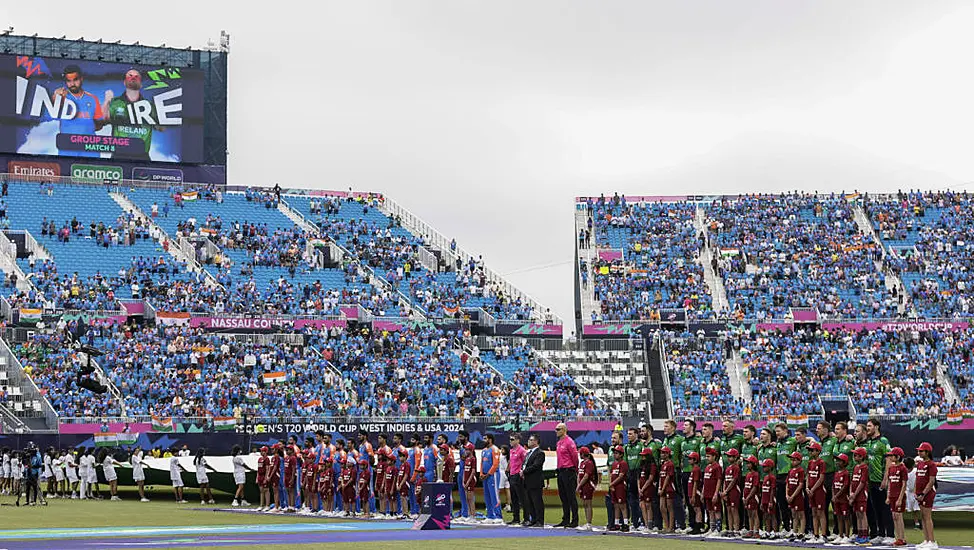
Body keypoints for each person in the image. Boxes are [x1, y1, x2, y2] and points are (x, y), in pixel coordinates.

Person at [864, 418, 893, 544]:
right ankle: (881, 534)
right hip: (871, 480)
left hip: (881, 479)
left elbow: (889, 460)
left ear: (876, 427)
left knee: (885, 508)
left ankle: (891, 535)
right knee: (876, 509)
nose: (867, 428)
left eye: (869, 426)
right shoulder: (869, 441)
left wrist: (885, 478)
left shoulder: (883, 441)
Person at [553, 423, 579, 528]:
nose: (556, 431)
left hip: (569, 470)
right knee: (563, 497)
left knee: (571, 496)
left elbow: (575, 457)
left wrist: (575, 470)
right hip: (561, 471)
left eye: (558, 429)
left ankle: (575, 520)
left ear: (564, 430)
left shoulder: (569, 442)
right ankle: (566, 519)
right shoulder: (559, 443)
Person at [915, 442, 938, 549]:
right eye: (918, 451)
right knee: (923, 517)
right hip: (919, 494)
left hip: (927, 494)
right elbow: (917, 479)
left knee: (927, 517)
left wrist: (923, 493)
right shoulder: (919, 463)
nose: (919, 452)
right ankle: (926, 539)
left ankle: (932, 541)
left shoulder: (931, 464)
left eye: (921, 451)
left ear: (927, 452)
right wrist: (916, 493)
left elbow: (931, 481)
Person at [885, 447, 908, 546]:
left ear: (898, 457)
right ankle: (898, 537)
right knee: (894, 516)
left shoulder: (903, 468)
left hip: (899, 496)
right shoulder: (891, 468)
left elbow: (904, 484)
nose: (890, 457)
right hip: (892, 496)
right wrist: (888, 496)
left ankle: (902, 538)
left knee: (899, 516)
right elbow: (890, 483)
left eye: (892, 455)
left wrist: (900, 498)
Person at [521, 433, 545, 527]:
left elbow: (536, 465)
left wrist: (524, 471)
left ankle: (540, 520)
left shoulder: (540, 453)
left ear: (536, 441)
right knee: (530, 502)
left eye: (531, 440)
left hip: (535, 481)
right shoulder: (528, 453)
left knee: (537, 501)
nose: (529, 441)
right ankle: (533, 519)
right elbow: (525, 464)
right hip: (527, 481)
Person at [805, 442, 827, 543]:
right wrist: (806, 488)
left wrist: (812, 489)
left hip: (818, 491)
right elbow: (808, 476)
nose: (810, 452)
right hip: (810, 491)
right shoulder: (810, 463)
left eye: (812, 450)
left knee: (820, 512)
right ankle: (815, 535)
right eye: (809, 450)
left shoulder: (821, 462)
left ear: (818, 451)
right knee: (813, 513)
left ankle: (823, 535)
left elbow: (821, 478)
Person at [481, 433, 503, 523]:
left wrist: (488, 474)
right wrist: (481, 473)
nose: (483, 440)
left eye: (485, 438)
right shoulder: (483, 450)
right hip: (485, 476)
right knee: (487, 495)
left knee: (494, 495)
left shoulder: (495, 449)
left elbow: (495, 464)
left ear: (490, 440)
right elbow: (481, 463)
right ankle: (490, 516)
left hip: (492, 475)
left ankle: (498, 516)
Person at [851, 447, 871, 544]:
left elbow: (862, 483)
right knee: (858, 514)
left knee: (862, 514)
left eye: (856, 455)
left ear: (861, 456)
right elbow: (853, 481)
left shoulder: (864, 468)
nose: (854, 457)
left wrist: (854, 495)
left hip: (861, 494)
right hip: (855, 494)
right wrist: (851, 493)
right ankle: (859, 534)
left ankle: (865, 535)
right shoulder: (856, 467)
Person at [722, 448, 743, 537]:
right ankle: (730, 529)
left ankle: (736, 530)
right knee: (729, 510)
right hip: (727, 492)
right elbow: (725, 480)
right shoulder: (727, 468)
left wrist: (726, 491)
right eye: (728, 456)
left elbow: (734, 480)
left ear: (735, 457)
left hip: (734, 491)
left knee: (734, 510)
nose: (728, 458)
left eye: (730, 456)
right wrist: (724, 492)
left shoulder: (736, 468)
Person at [609, 445, 630, 532]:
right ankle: (616, 523)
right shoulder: (614, 464)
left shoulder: (623, 463)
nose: (614, 455)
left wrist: (612, 484)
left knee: (622, 505)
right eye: (614, 453)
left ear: (621, 454)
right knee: (616, 505)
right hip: (614, 487)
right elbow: (612, 474)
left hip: (620, 486)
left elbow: (621, 476)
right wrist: (612, 485)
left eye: (616, 453)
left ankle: (625, 523)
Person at [785, 451, 806, 540]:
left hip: (797, 496)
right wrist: (787, 495)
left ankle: (801, 532)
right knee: (793, 514)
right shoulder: (790, 471)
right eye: (791, 460)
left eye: (794, 460)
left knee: (801, 514)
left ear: (799, 461)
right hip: (790, 495)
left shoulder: (801, 471)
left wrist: (793, 496)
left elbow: (800, 484)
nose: (792, 461)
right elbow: (787, 483)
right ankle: (794, 531)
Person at [832, 453, 852, 544]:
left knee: (846, 517)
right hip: (836, 499)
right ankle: (840, 535)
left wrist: (837, 495)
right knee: (838, 517)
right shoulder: (836, 473)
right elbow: (833, 485)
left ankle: (847, 535)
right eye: (837, 460)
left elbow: (845, 486)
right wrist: (833, 496)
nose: (837, 462)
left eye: (839, 461)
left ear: (844, 463)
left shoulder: (846, 473)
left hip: (844, 499)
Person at [636, 447, 657, 534]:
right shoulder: (641, 465)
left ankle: (650, 524)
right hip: (641, 488)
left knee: (648, 506)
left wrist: (643, 488)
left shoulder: (652, 465)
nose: (643, 457)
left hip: (648, 488)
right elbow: (638, 478)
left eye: (644, 456)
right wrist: (639, 488)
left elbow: (650, 478)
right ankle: (645, 525)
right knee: (642, 505)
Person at [701, 448, 721, 537]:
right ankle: (712, 528)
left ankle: (718, 529)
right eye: (706, 456)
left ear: (714, 456)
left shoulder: (717, 467)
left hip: (713, 493)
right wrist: (702, 492)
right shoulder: (707, 467)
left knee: (717, 511)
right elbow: (705, 481)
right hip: (707, 493)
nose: (707, 458)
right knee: (710, 511)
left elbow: (719, 480)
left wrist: (716, 493)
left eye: (709, 456)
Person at [508, 434, 527, 526]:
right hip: (512, 475)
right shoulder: (511, 450)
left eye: (512, 439)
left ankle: (526, 518)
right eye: (510, 439)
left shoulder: (522, 451)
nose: (510, 441)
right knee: (514, 498)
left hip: (518, 476)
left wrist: (521, 473)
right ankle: (516, 518)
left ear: (518, 440)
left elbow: (525, 462)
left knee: (522, 498)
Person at [576, 446, 597, 531]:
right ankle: (587, 522)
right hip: (583, 486)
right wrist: (578, 484)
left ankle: (589, 523)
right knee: (584, 504)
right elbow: (579, 475)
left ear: (583, 454)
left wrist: (579, 485)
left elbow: (586, 476)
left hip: (587, 485)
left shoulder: (589, 463)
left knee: (588, 504)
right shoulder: (582, 463)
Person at [658, 446, 677, 533]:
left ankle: (671, 527)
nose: (661, 454)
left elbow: (668, 477)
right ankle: (666, 526)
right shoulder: (662, 464)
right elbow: (660, 477)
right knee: (662, 507)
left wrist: (663, 488)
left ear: (668, 454)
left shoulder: (670, 464)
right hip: (662, 488)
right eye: (661, 453)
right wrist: (659, 487)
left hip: (669, 488)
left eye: (663, 453)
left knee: (669, 507)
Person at [742, 456, 761, 539]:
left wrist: (748, 497)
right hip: (747, 497)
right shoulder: (748, 474)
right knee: (749, 514)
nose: (747, 465)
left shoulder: (755, 474)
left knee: (754, 513)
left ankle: (756, 531)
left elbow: (754, 487)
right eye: (747, 463)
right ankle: (750, 530)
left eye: (749, 463)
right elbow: (745, 486)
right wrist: (744, 497)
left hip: (753, 497)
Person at [760, 458, 778, 539]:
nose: (763, 468)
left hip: (770, 499)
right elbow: (763, 490)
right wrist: (761, 502)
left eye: (765, 467)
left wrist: (771, 501)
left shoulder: (772, 477)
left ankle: (775, 532)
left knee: (772, 515)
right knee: (766, 516)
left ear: (770, 467)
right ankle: (767, 531)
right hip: (764, 499)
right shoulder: (765, 477)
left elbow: (772, 489)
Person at [257, 446, 271, 511]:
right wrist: (257, 477)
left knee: (266, 490)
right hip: (260, 476)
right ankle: (261, 505)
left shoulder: (267, 459)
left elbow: (267, 469)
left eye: (262, 451)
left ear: (265, 452)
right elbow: (258, 469)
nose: (261, 452)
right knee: (261, 491)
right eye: (261, 451)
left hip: (264, 475)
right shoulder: (259, 459)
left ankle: (267, 505)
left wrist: (266, 478)